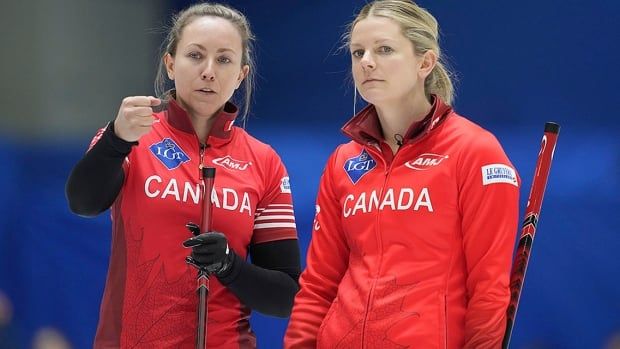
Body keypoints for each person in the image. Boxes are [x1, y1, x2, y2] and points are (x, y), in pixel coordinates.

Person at [285, 1, 520, 348]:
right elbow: (319, 284)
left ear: (425, 62)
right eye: (357, 52)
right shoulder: (343, 162)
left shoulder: (476, 152)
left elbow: (488, 290)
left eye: (384, 49)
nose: (366, 61)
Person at [66, 3, 301, 348]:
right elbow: (83, 203)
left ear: (241, 75)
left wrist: (228, 266)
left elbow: (285, 297)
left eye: (224, 60)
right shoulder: (133, 136)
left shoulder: (264, 162)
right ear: (171, 63)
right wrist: (117, 139)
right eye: (195, 55)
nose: (209, 71)